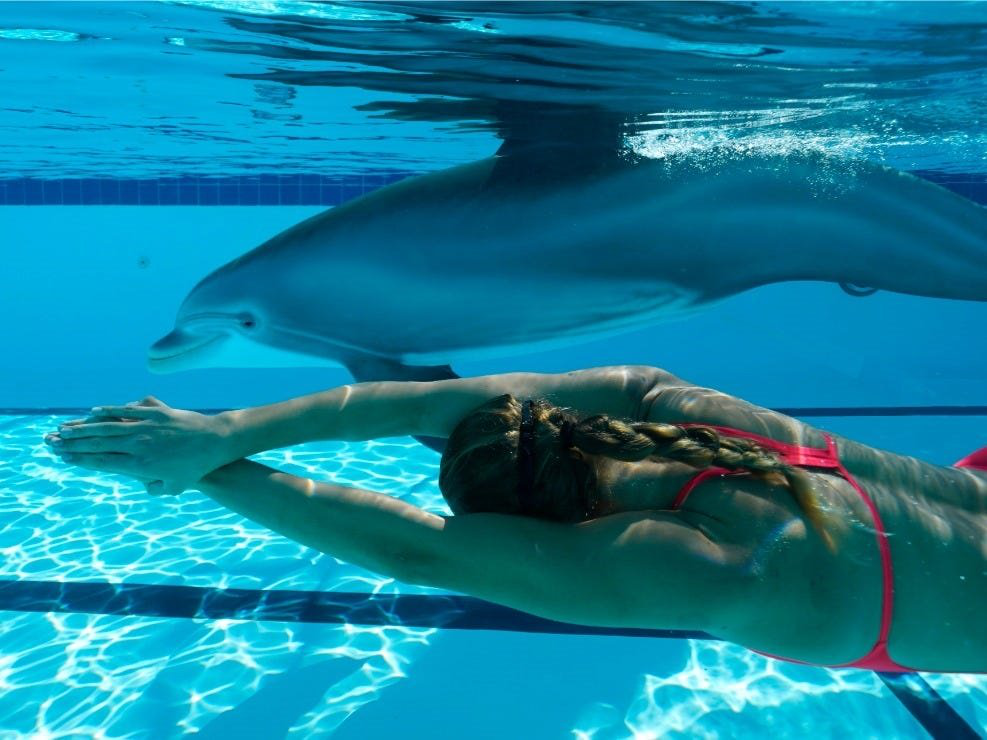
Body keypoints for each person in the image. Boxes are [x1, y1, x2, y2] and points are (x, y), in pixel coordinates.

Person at [43, 365, 986, 673]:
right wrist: (222, 433)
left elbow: (408, 548)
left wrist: (208, 472)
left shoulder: (695, 562)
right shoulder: (668, 404)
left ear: (541, 525)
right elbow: (421, 402)